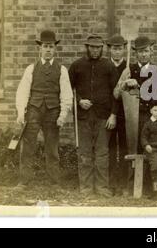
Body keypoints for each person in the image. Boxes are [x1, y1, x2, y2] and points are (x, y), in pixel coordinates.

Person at [15, 30, 73, 190]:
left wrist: (62, 115)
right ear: (40, 48)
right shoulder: (31, 69)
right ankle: (24, 181)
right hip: (33, 110)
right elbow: (23, 91)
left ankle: (54, 182)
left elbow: (67, 94)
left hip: (53, 112)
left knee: (52, 147)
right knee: (28, 146)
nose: (48, 50)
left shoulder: (62, 70)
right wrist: (21, 112)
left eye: (51, 47)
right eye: (45, 46)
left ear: (55, 49)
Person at [68, 34, 119, 198]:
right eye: (92, 47)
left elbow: (116, 93)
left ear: (102, 48)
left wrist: (113, 114)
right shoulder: (76, 66)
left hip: (103, 117)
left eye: (98, 47)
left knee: (102, 153)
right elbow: (68, 91)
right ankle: (86, 188)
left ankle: (102, 187)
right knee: (84, 152)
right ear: (87, 47)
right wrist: (79, 101)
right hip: (83, 117)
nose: (95, 50)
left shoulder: (109, 66)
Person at [113, 36, 157, 154]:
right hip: (133, 119)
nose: (144, 54)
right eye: (140, 51)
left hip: (153, 118)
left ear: (151, 52)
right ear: (136, 53)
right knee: (134, 151)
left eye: (146, 51)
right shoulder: (128, 71)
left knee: (153, 152)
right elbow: (116, 94)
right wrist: (125, 84)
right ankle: (133, 173)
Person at [106, 34, 128, 195]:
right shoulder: (105, 66)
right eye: (114, 49)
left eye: (120, 48)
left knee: (126, 148)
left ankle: (124, 183)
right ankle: (112, 183)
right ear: (110, 50)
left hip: (126, 114)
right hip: (109, 114)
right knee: (111, 149)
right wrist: (111, 113)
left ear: (124, 50)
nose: (117, 52)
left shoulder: (129, 68)